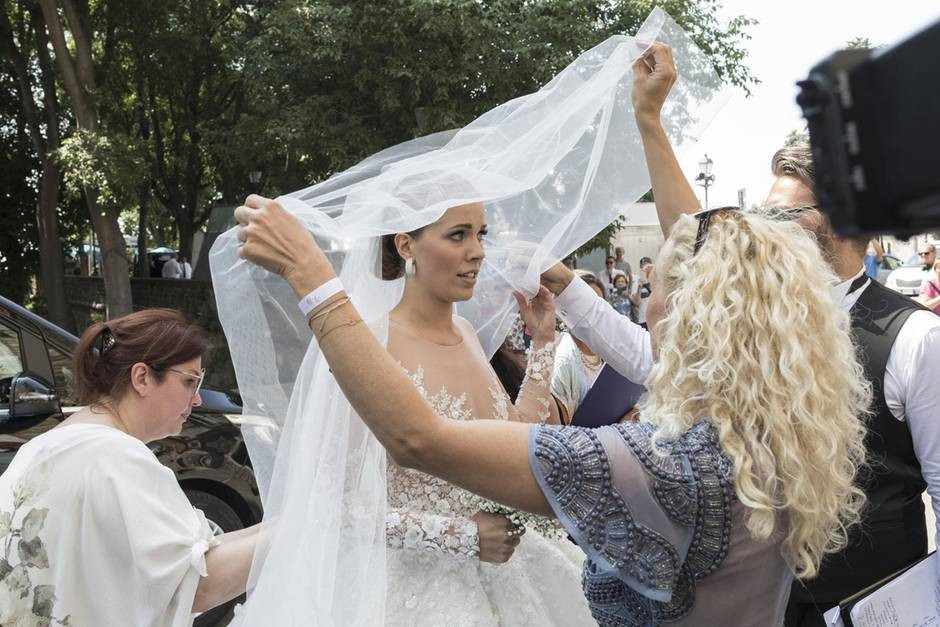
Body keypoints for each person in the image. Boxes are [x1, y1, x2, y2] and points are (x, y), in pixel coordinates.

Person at [234, 189, 870, 626]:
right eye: (460, 234)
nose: (642, 303)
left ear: (692, 314)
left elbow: (419, 438)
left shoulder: (671, 463)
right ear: (405, 244)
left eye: (654, 288)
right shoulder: (769, 438)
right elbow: (506, 440)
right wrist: (541, 349)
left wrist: (314, 279)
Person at [578, 43, 940, 626]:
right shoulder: (754, 320)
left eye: (786, 216)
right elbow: (689, 245)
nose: (765, 231)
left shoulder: (915, 337)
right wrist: (649, 120)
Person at [371, 204, 592, 625]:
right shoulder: (373, 346)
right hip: (418, 591)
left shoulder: (468, 334)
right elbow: (340, 506)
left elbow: (512, 439)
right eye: (458, 235)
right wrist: (462, 537)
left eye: (481, 234)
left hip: (513, 572)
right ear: (406, 246)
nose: (477, 252)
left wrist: (543, 344)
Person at [0, 309, 260, 626]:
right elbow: (197, 584)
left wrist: (275, 524)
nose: (198, 400)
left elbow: (198, 551)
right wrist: (300, 525)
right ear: (142, 377)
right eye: (191, 381)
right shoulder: (115, 456)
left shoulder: (40, 447)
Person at [552, 272, 607, 423]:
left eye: (600, 305)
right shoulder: (563, 361)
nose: (596, 313)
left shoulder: (607, 348)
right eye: (588, 305)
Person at [634, 257, 654, 329]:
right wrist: (639, 287)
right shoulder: (636, 280)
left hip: (654, 316)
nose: (645, 268)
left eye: (647, 266)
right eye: (642, 266)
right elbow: (637, 303)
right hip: (643, 318)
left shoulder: (656, 280)